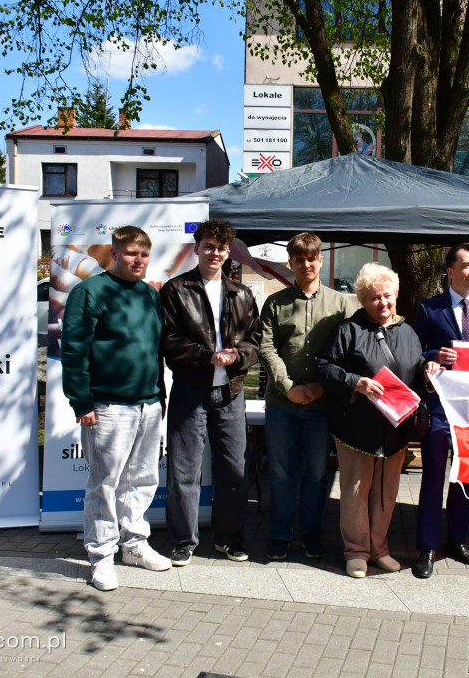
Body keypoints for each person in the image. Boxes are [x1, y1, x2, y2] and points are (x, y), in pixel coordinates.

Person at [60, 225, 171, 591]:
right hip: (107, 405)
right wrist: (81, 400)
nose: (138, 261)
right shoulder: (89, 292)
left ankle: (134, 545)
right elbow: (74, 350)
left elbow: (155, 350)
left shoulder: (148, 295)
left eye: (144, 254)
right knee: (104, 484)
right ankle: (101, 555)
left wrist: (159, 396)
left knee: (142, 480)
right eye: (130, 253)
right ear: (114, 252)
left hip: (148, 404)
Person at [318, 263, 439, 578]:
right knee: (357, 491)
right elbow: (325, 368)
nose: (383, 303)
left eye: (387, 296)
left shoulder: (408, 332)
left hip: (395, 429)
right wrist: (356, 382)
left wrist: (429, 370)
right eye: (374, 298)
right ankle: (356, 552)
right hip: (356, 429)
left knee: (386, 492)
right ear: (363, 300)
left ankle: (380, 548)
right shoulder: (349, 330)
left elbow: (415, 368)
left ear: (395, 295)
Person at [160, 219, 261, 566]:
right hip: (190, 392)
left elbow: (255, 342)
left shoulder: (242, 294)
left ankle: (229, 539)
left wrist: (237, 357)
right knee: (183, 471)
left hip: (231, 393)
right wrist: (207, 357)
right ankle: (183, 541)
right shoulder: (176, 290)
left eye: (221, 247)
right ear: (197, 248)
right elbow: (169, 341)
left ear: (228, 251)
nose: (214, 253)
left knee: (234, 471)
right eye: (208, 246)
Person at [258, 233, 352, 561]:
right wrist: (288, 387)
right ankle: (280, 536)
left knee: (315, 473)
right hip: (283, 404)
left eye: (312, 257)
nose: (306, 264)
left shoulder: (342, 305)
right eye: (299, 259)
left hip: (322, 406)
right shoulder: (276, 303)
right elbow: (267, 348)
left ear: (321, 260)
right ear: (291, 263)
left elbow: (347, 352)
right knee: (281, 474)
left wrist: (320, 387)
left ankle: (311, 534)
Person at [412, 243, 469, 579]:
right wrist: (434, 357)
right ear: (450, 272)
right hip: (438, 408)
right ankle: (427, 546)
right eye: (466, 266)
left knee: (465, 478)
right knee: (433, 479)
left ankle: (458, 540)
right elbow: (415, 353)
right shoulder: (429, 309)